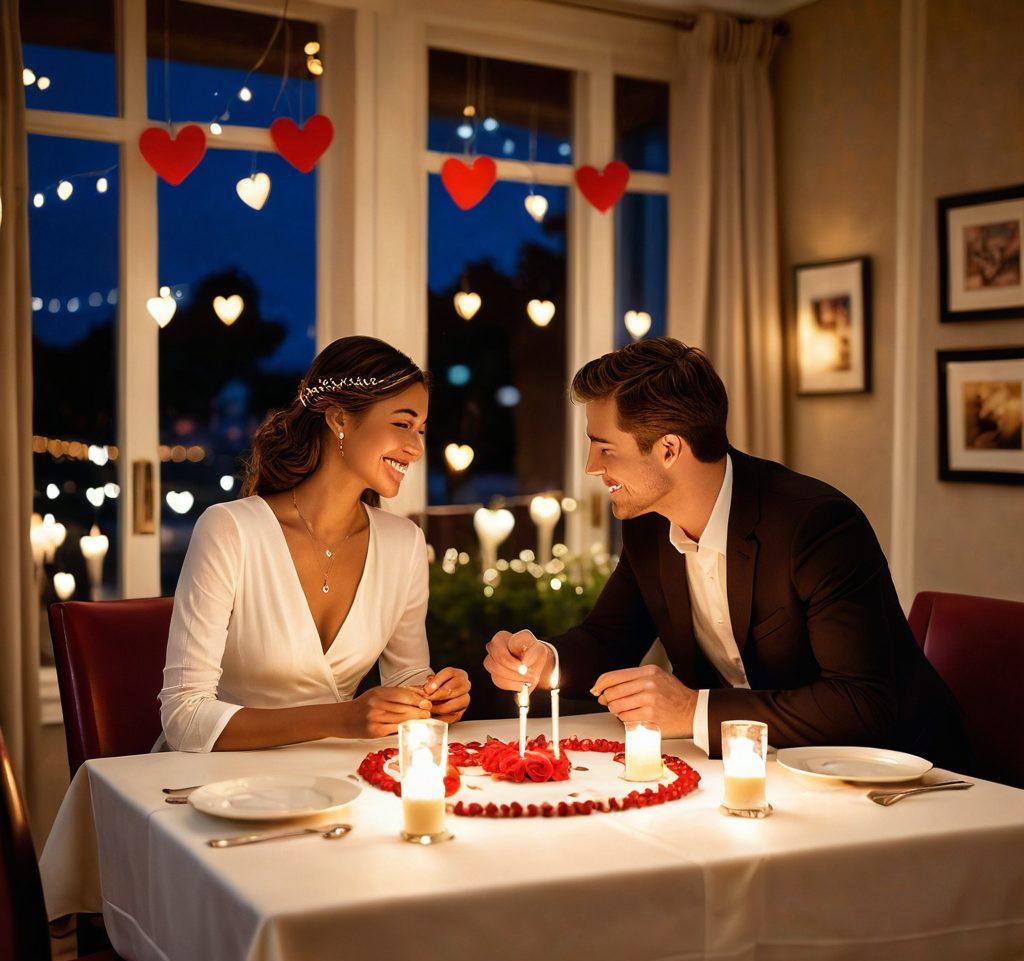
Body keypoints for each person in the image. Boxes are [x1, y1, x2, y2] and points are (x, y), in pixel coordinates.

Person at [484, 337, 971, 768]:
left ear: (669, 449)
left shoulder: (815, 526)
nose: (592, 467)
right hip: (754, 770)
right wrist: (545, 661)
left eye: (605, 448)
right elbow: (610, 639)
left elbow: (859, 703)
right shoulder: (649, 526)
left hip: (897, 774)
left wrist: (691, 711)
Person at [158, 336, 470, 752]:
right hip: (212, 786)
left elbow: (405, 679)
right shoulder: (230, 530)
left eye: (420, 429)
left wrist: (433, 696)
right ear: (340, 419)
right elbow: (184, 716)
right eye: (401, 423)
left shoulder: (405, 544)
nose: (415, 448)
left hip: (335, 778)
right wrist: (342, 718)